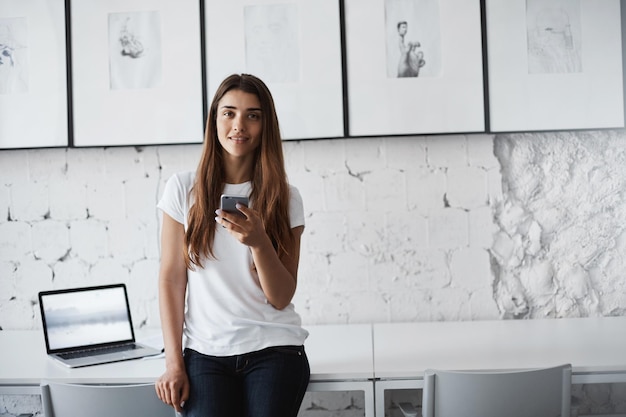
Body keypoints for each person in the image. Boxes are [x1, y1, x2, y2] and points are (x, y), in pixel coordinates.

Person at [155, 73, 310, 417]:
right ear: (214, 120)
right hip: (205, 354)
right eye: (229, 113)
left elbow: (281, 296)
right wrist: (173, 362)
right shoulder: (182, 190)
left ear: (265, 125)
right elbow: (171, 279)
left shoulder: (285, 198)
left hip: (274, 349)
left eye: (253, 115)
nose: (239, 125)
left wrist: (259, 243)